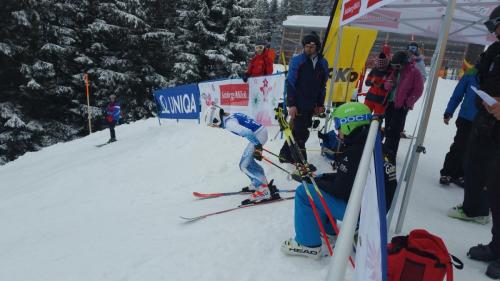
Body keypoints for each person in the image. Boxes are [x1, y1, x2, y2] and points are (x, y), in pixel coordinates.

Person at [281, 103, 397, 259]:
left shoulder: (355, 151)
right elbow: (347, 180)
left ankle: (307, 244)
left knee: (304, 191)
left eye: (339, 125)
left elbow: (340, 190)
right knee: (318, 186)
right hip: (372, 213)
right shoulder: (375, 146)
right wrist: (320, 178)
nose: (337, 131)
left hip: (361, 214)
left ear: (350, 124)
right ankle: (329, 230)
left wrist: (312, 181)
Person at [458, 5, 500, 279]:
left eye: (496, 24)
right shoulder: (495, 51)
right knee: (493, 189)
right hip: (488, 128)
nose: (494, 31)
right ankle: (497, 246)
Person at [204, 106, 280, 204]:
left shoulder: (229, 123)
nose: (215, 127)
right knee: (248, 162)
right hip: (260, 132)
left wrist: (257, 146)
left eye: (213, 124)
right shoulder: (231, 116)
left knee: (243, 165)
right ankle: (259, 183)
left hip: (258, 136)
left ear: (216, 119)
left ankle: (263, 190)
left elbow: (247, 132)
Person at [279, 32, 329, 167]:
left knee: (298, 131)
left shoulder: (323, 63)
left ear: (317, 47)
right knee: (301, 133)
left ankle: (285, 155)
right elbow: (290, 83)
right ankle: (301, 162)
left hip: (311, 104)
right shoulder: (298, 61)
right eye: (306, 46)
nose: (309, 49)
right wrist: (292, 104)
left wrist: (319, 104)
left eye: (312, 46)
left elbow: (322, 86)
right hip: (298, 103)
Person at [439, 65, 479, 187]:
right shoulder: (472, 72)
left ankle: (462, 174)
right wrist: (449, 112)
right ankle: (447, 172)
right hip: (466, 117)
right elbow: (458, 94)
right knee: (460, 146)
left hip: (486, 120)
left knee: (474, 150)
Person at [382, 51, 424, 161]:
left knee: (395, 132)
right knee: (388, 129)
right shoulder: (395, 72)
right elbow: (386, 85)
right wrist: (389, 84)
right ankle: (385, 151)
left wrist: (408, 102)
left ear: (404, 63)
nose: (396, 67)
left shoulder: (414, 72)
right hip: (390, 103)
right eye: (394, 65)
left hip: (401, 106)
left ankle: (390, 155)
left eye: (398, 65)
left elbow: (418, 90)